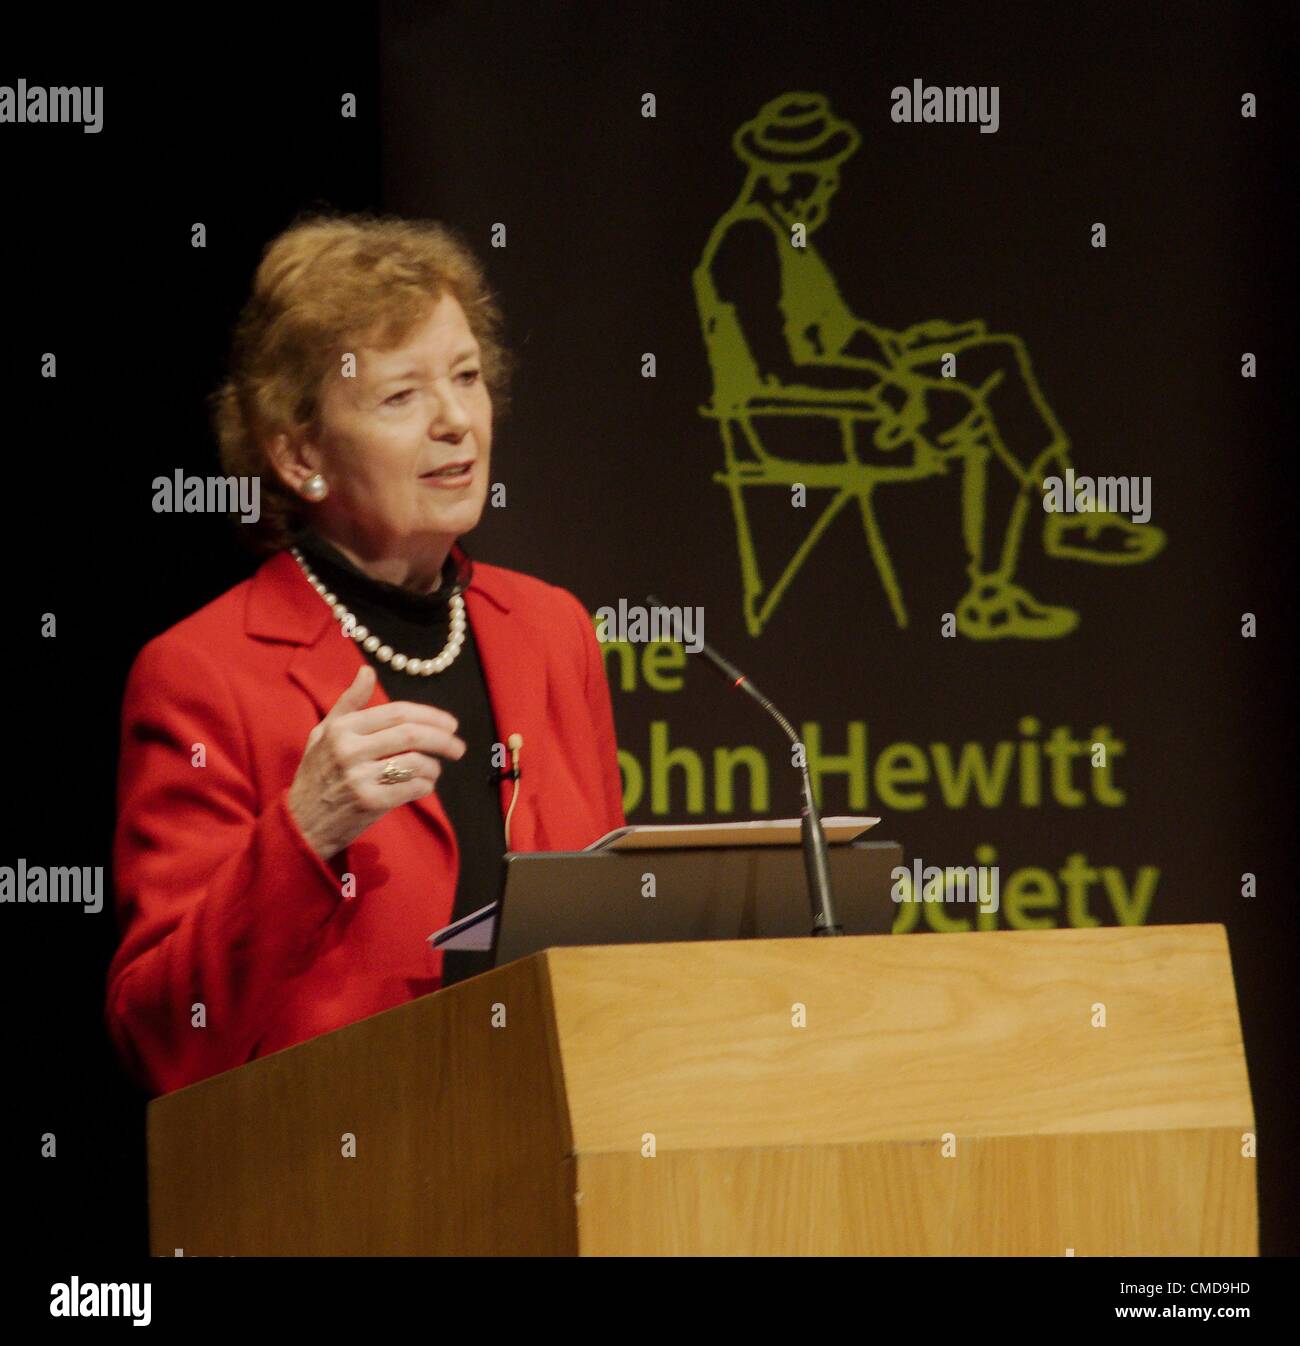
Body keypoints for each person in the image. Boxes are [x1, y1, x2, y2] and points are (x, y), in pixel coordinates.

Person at [105, 212, 625, 1096]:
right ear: (301, 453)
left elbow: (611, 945)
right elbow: (162, 1035)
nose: (457, 420)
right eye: (402, 396)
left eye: (466, 377)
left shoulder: (550, 631)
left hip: (554, 1162)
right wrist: (304, 831)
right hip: (340, 1186)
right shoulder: (204, 673)